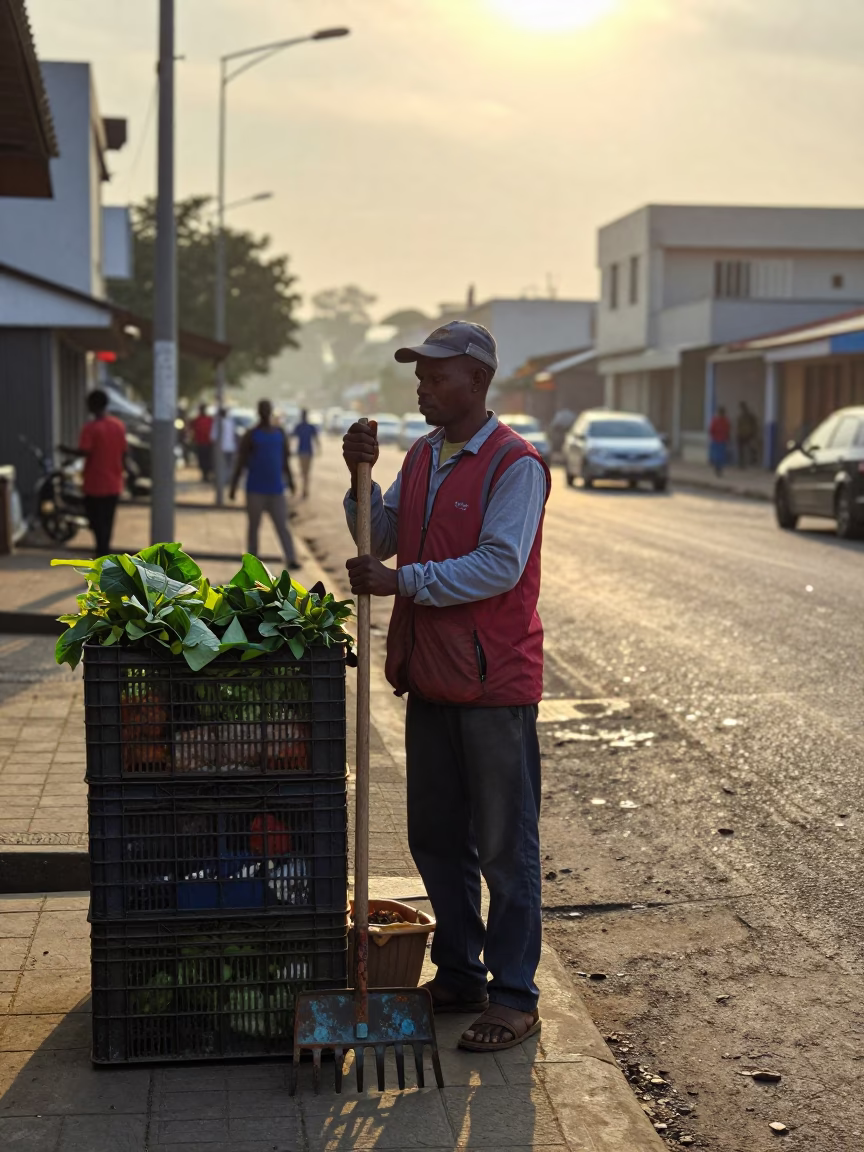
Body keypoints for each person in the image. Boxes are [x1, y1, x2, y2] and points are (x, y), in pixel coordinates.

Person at [342, 320, 550, 1053]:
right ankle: (460, 974)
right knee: (437, 838)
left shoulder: (514, 464)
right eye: (419, 376)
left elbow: (499, 563)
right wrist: (357, 478)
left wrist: (404, 584)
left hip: (494, 686)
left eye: (436, 376)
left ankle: (515, 994)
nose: (422, 387)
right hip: (429, 676)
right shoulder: (424, 455)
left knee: (503, 845)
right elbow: (381, 534)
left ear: (477, 380)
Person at [230, 400, 297, 567]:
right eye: (263, 409)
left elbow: (285, 461)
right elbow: (241, 461)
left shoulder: (279, 433)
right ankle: (252, 561)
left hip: (276, 489)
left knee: (282, 525)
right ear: (259, 412)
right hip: (255, 489)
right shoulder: (251, 434)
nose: (265, 412)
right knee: (254, 527)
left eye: (268, 409)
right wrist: (233, 486)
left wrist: (291, 481)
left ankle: (291, 558)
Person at [77, 389, 127, 556]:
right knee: (107, 521)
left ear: (91, 406)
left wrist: (66, 450)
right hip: (113, 482)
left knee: (95, 521)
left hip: (94, 483)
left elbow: (85, 451)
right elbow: (124, 451)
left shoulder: (90, 428)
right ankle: (104, 550)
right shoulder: (118, 426)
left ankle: (102, 551)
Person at [292, 408, 319, 500]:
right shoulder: (309, 427)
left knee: (304, 472)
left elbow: (292, 437)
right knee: (305, 472)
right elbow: (316, 439)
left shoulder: (300, 427)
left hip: (303, 452)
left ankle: (305, 490)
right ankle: (305, 490)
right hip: (306, 452)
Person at [211, 406, 237, 479]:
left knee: (224, 465)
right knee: (227, 465)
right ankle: (226, 478)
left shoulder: (222, 423)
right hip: (228, 448)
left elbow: (213, 437)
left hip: (224, 448)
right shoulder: (229, 422)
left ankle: (225, 478)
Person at [191, 403, 214, 481]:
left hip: (208, 443)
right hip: (200, 443)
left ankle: (207, 474)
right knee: (202, 460)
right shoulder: (196, 420)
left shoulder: (209, 419)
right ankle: (204, 475)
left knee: (208, 460)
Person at [709, 405, 731, 477]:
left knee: (718, 455)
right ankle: (718, 469)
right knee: (720, 455)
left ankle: (718, 468)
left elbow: (711, 430)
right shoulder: (724, 421)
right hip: (720, 440)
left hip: (718, 440)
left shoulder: (717, 420)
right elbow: (727, 431)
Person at [736, 401, 759, 469]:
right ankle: (741, 464)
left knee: (751, 449)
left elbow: (754, 426)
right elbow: (739, 426)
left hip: (748, 434)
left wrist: (754, 433)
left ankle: (752, 460)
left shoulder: (750, 417)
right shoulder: (741, 417)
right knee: (741, 451)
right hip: (742, 435)